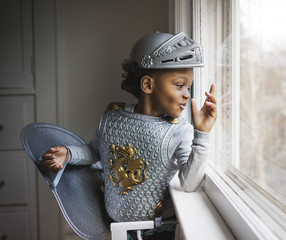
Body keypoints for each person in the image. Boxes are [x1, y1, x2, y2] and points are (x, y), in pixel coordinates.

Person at [41, 32, 217, 238]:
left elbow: (189, 183)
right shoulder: (113, 116)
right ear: (147, 85)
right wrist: (68, 153)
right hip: (115, 227)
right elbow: (95, 152)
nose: (187, 93)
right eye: (179, 85)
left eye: (188, 86)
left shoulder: (180, 131)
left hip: (159, 231)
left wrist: (202, 134)